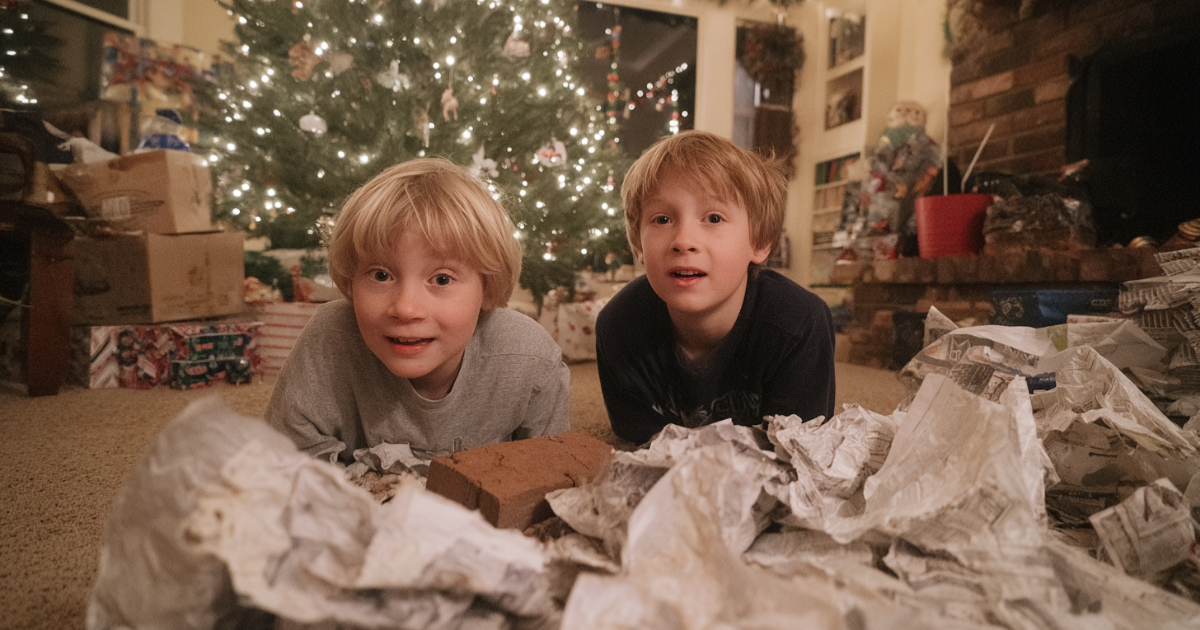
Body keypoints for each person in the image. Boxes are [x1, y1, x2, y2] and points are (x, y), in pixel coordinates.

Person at [266, 158, 570, 465]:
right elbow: (281, 460)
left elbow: (550, 472)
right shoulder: (329, 338)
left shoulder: (530, 358)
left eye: (442, 279)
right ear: (351, 281)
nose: (406, 308)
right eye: (381, 275)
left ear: (488, 288)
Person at [596, 131, 836, 444]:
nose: (684, 241)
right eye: (662, 219)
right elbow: (638, 438)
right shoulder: (619, 326)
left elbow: (802, 447)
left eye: (713, 218)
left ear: (759, 242)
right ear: (638, 245)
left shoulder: (800, 324)